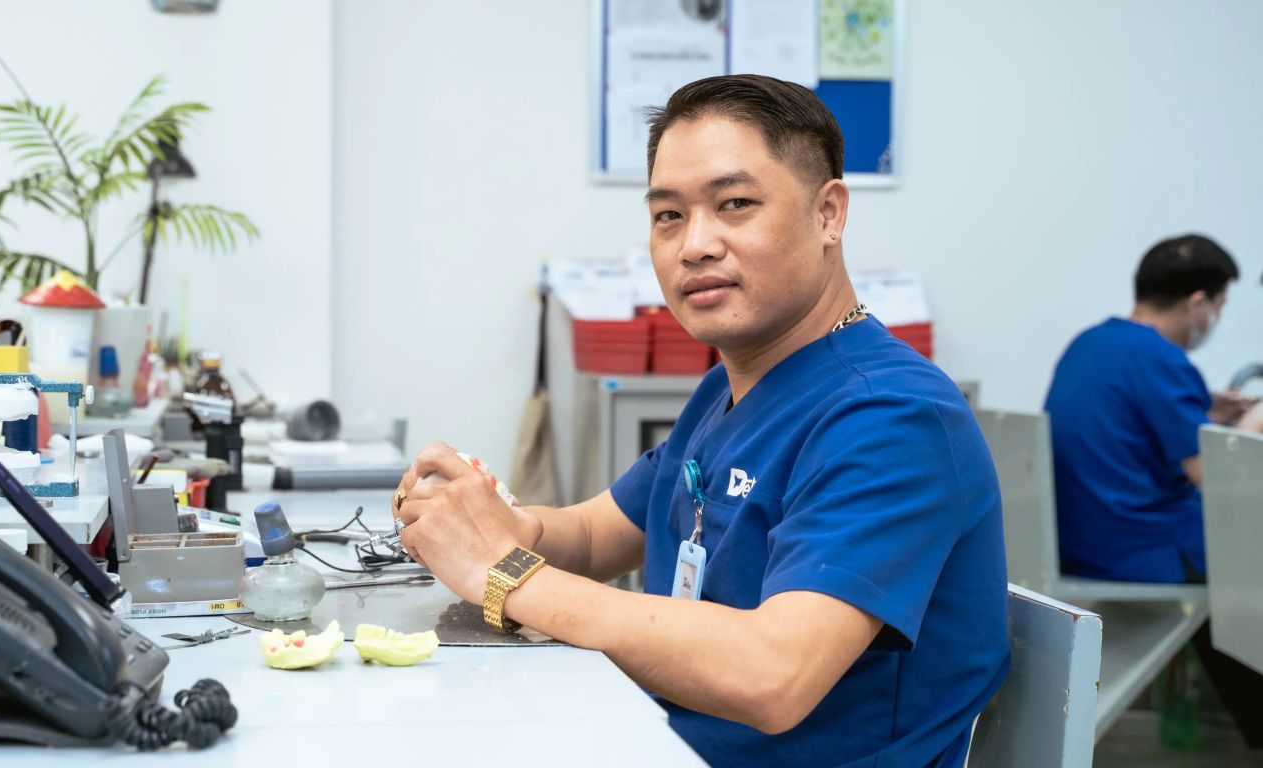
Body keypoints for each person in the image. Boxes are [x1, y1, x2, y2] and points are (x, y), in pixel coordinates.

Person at [394, 74, 1010, 767]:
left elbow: (774, 675)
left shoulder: (891, 418)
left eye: (735, 204)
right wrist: (492, 522)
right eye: (669, 216)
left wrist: (501, 572)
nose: (695, 245)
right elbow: (599, 535)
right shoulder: (727, 389)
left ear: (829, 213)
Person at [1045, 234, 1263, 748]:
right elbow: (1214, 477)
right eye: (1220, 305)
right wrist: (1252, 422)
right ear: (1197, 303)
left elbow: (1133, 427)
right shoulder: (1163, 359)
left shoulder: (1092, 343)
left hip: (1083, 539)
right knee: (1244, 555)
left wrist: (1205, 413)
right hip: (1143, 548)